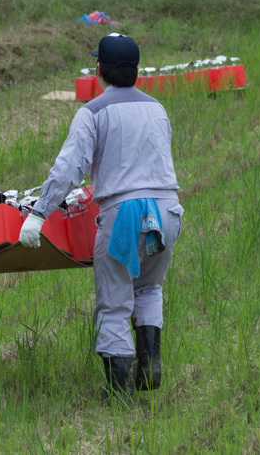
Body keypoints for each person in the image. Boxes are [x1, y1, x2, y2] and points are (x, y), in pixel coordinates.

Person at [18, 33, 183, 398]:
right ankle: (151, 361)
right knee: (149, 287)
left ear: (99, 70)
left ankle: (121, 395)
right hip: (168, 211)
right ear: (137, 71)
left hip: (125, 214)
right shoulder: (157, 108)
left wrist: (38, 213)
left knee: (114, 301)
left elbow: (68, 169)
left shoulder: (92, 112)